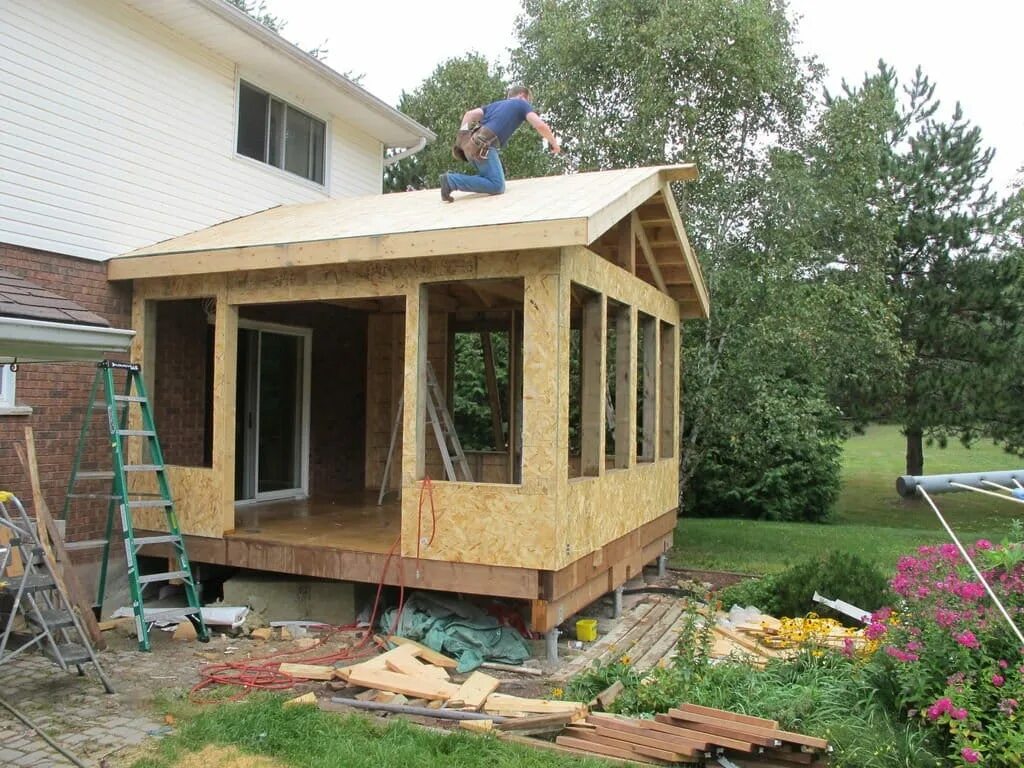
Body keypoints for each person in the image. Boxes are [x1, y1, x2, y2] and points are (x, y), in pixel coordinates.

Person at [440, 86, 560, 202]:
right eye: (528, 101)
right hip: (484, 146)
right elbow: (540, 125)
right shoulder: (522, 103)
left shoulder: (494, 105)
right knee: (497, 185)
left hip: (471, 146)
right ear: (523, 96)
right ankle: (452, 181)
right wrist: (554, 143)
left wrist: (462, 135)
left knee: (489, 179)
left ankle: (452, 181)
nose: (529, 104)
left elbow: (469, 115)